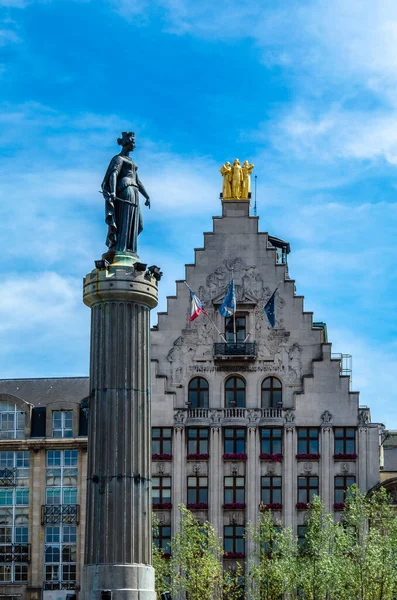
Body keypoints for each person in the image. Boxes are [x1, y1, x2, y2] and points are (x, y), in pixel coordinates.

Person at [101, 132, 150, 258]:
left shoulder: (132, 162)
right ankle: (120, 248)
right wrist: (112, 191)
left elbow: (138, 181)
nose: (134, 144)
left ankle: (130, 249)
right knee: (125, 220)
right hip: (125, 190)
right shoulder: (118, 159)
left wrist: (147, 196)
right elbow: (113, 174)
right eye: (133, 141)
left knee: (137, 224)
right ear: (126, 142)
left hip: (134, 192)